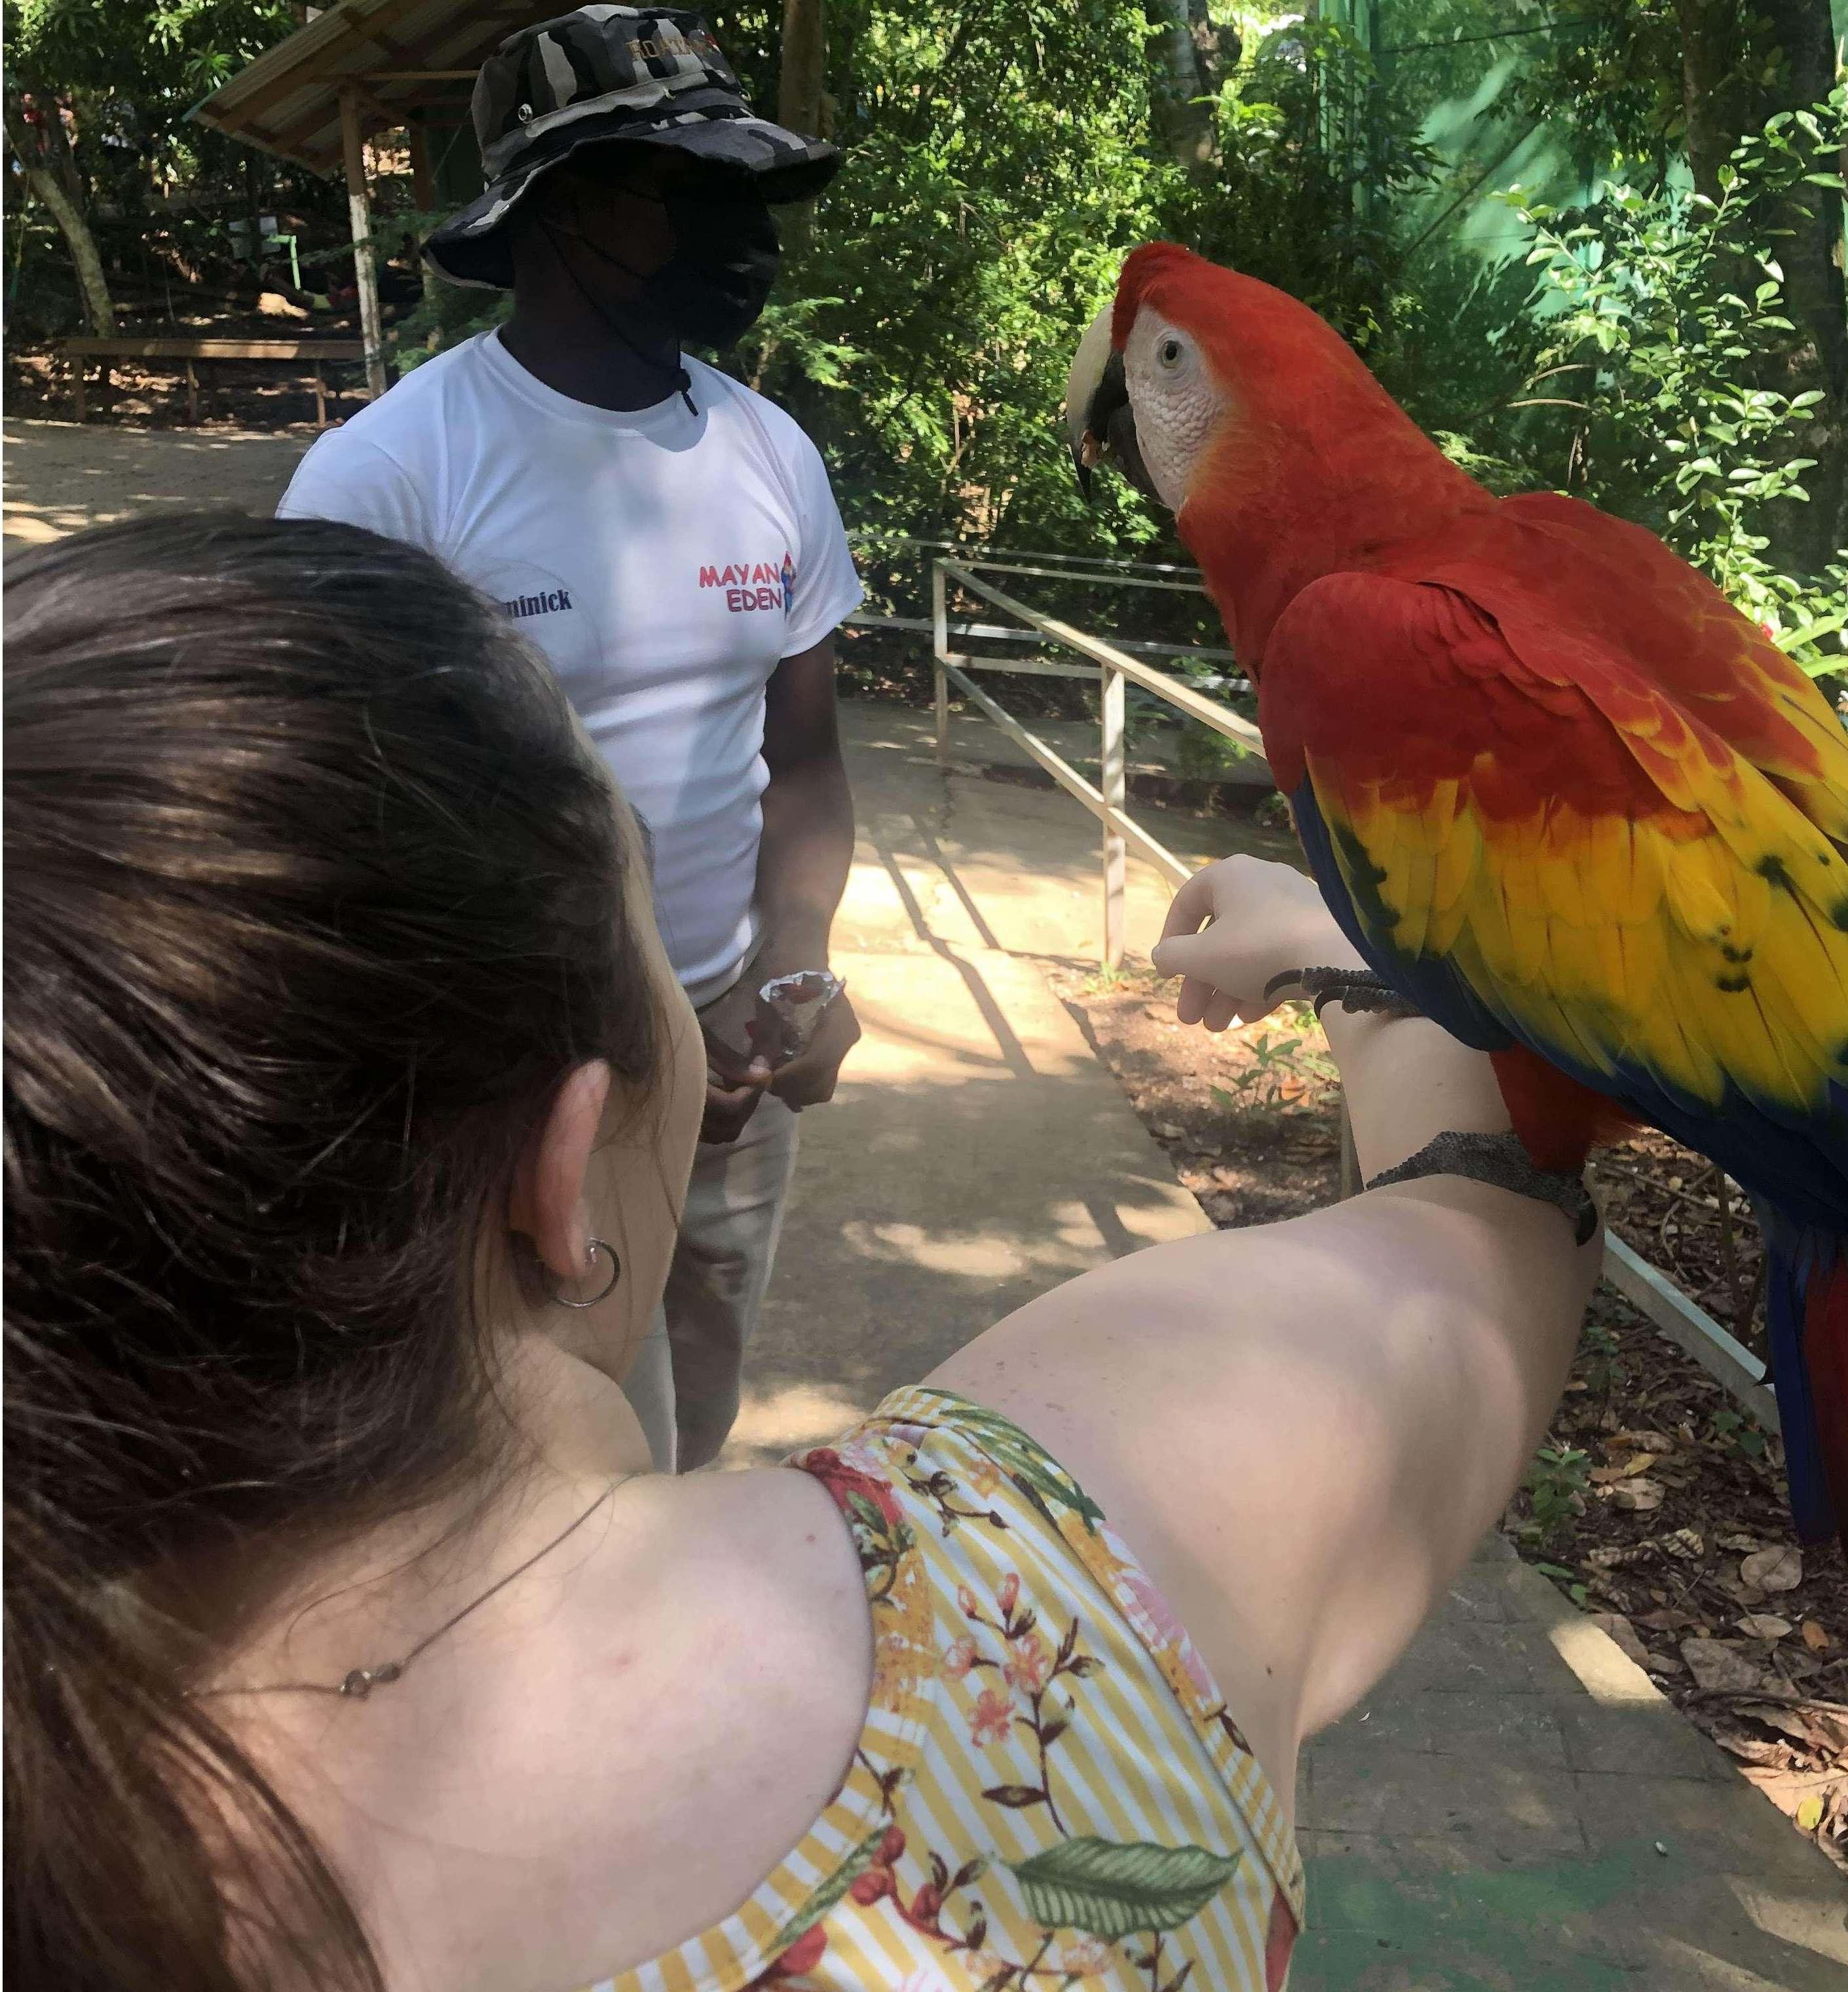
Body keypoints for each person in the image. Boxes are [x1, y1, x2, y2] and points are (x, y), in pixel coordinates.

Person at [5, 517, 1599, 1991]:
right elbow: (1485, 1226)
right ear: (557, 1169)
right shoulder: (1039, 1573)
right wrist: (1345, 943)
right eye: (648, 943)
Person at [277, 7, 863, 1473]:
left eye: (743, 188)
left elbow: (802, 764)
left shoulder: (769, 455)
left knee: (698, 1424)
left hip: (740, 1067)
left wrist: (791, 970)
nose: (735, 230)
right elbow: (328, 835)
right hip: (528, 1087)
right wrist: (559, 1053)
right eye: (686, 189)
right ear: (553, 212)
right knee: (569, 1467)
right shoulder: (392, 478)